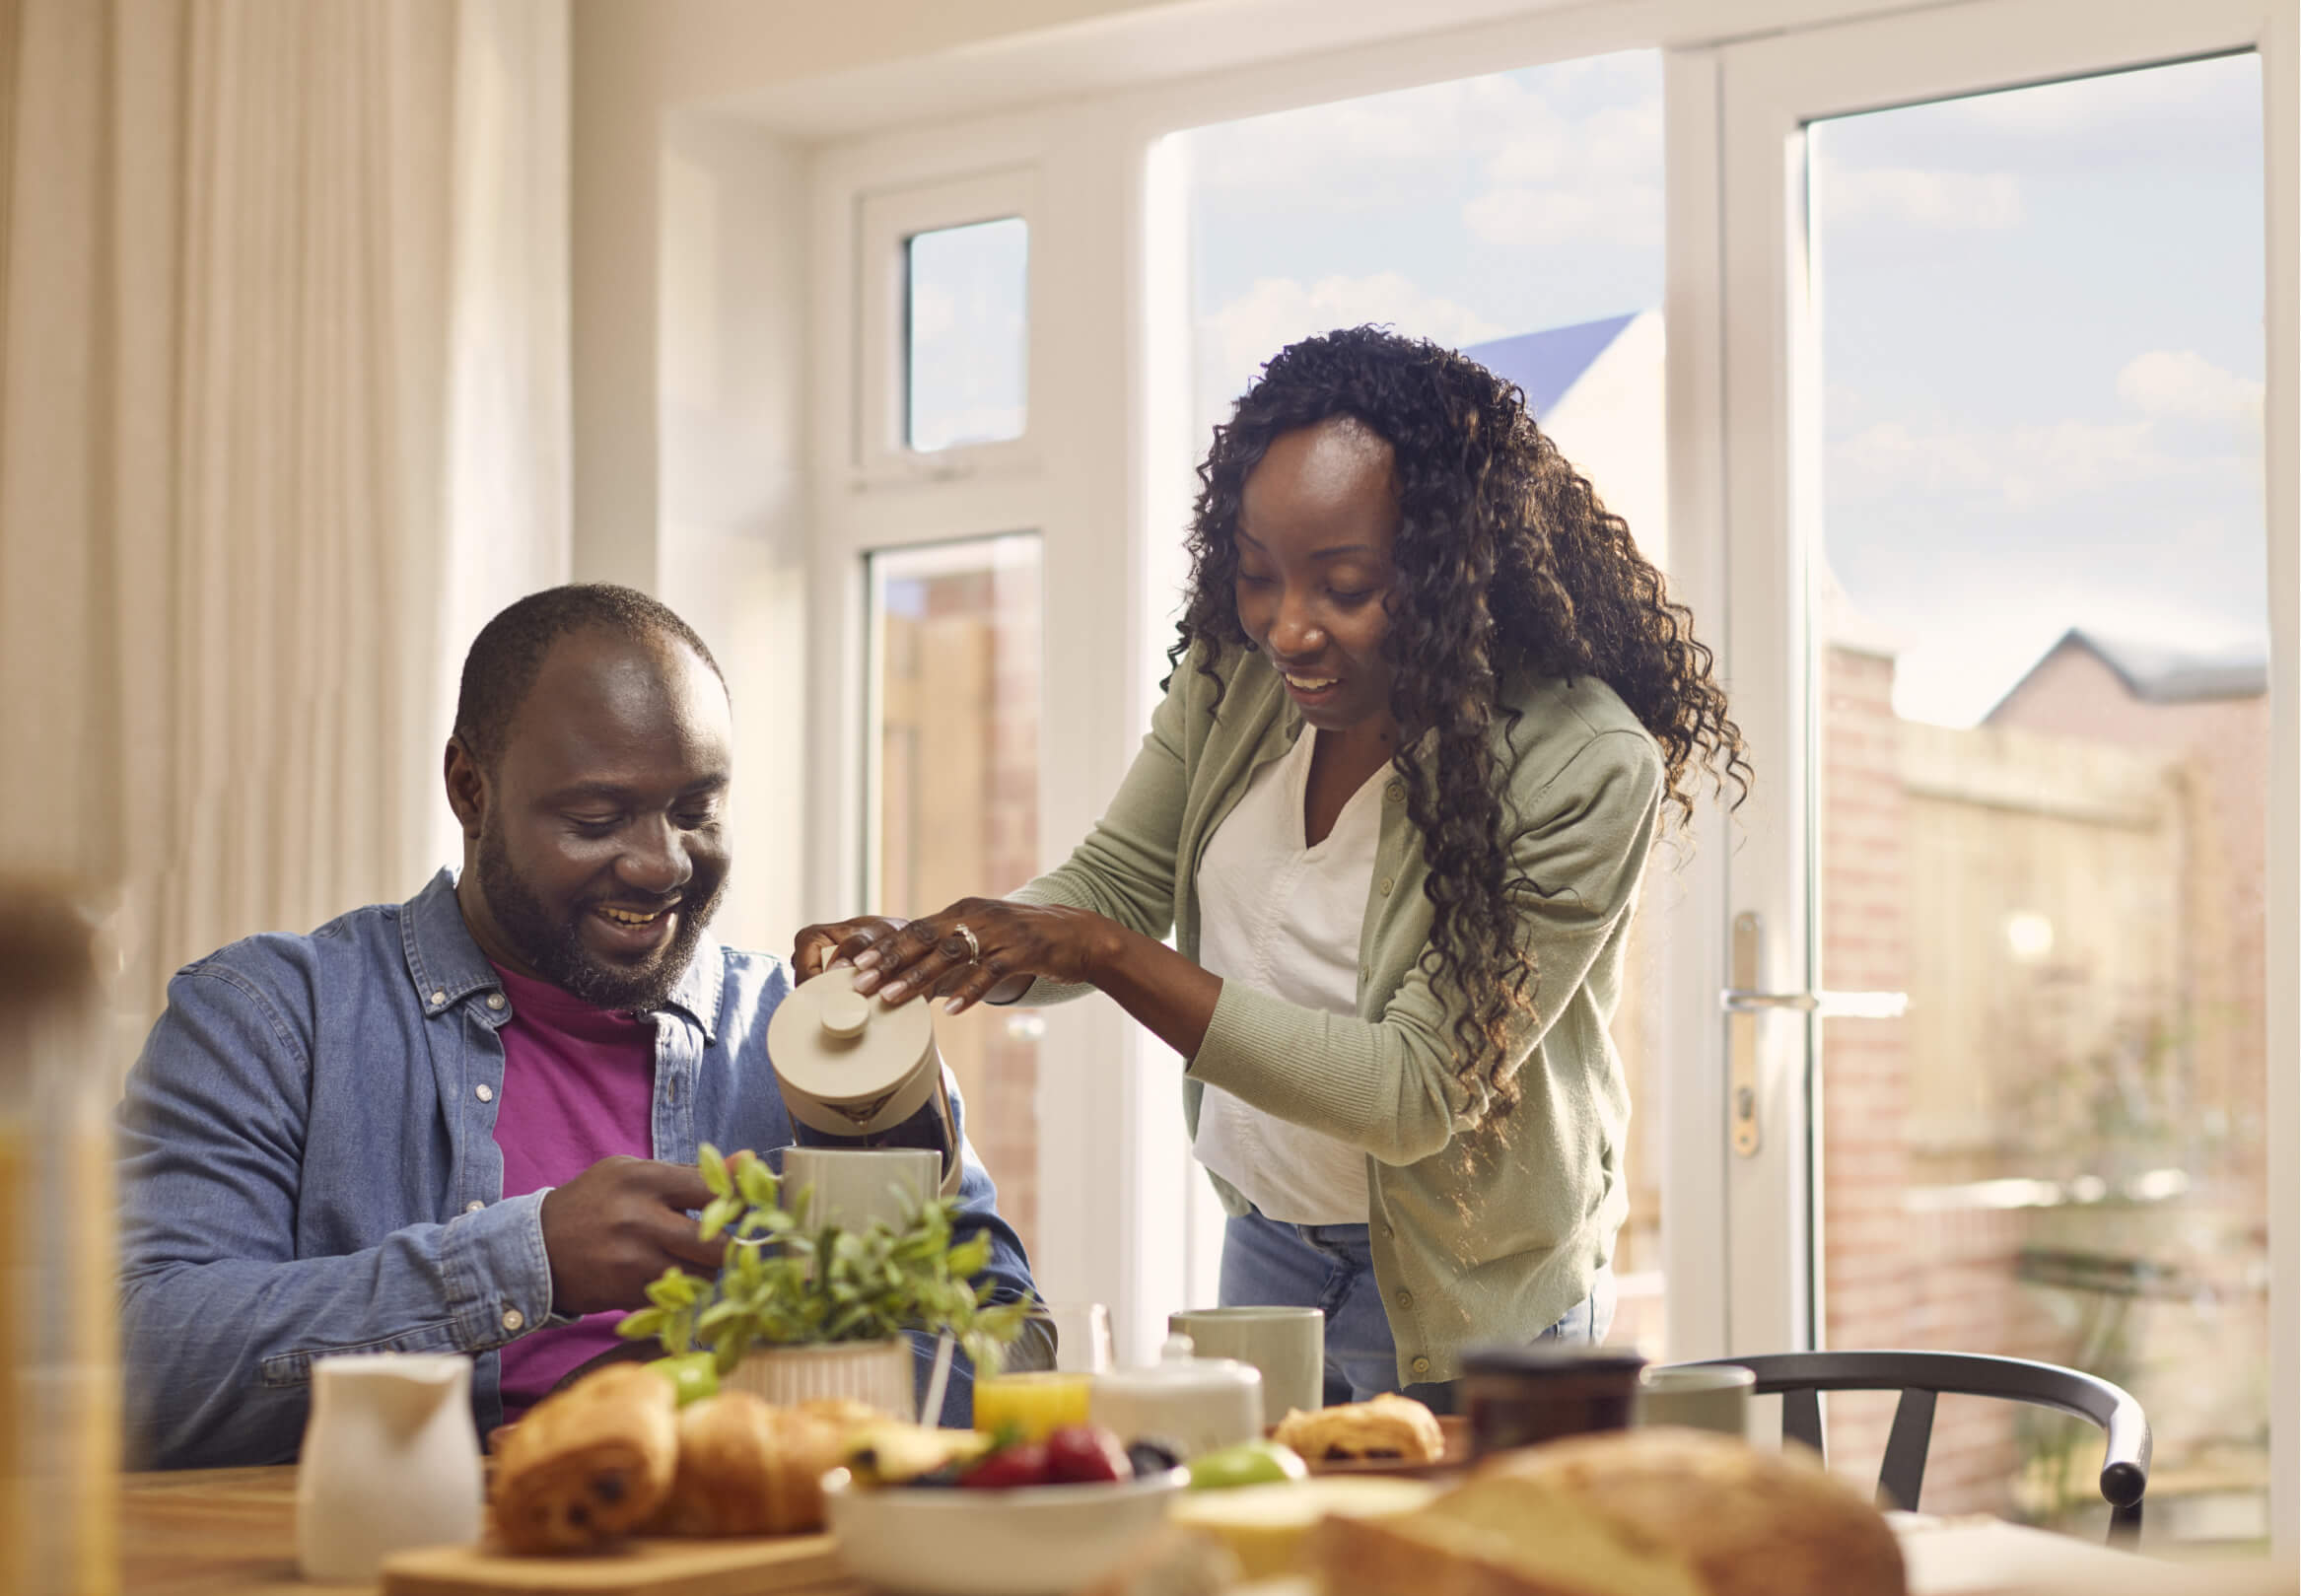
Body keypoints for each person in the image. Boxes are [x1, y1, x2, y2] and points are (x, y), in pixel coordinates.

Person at [799, 327, 1746, 1409]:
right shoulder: (1237, 676)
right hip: (1266, 1254)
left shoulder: (1578, 759)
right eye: (1259, 577)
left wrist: (1105, 957)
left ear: (1451, 572)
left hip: (1473, 1296)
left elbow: (1415, 1091)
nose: (1288, 628)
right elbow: (1115, 882)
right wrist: (947, 946)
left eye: (1345, 585)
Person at [119, 584, 1035, 1469]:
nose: (661, 863)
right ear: (469, 788)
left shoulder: (812, 1039)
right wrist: (527, 1261)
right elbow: (139, 1365)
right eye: (597, 819)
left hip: (751, 1566)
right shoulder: (277, 1016)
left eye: (697, 811)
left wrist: (700, 1395)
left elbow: (1012, 1349)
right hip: (388, 1581)